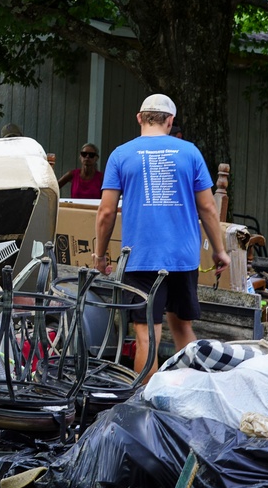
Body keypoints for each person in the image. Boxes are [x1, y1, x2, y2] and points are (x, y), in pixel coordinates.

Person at [94, 94, 230, 378]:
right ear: (170, 121)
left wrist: (99, 256)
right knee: (182, 326)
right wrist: (219, 251)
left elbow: (106, 213)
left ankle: (146, 408)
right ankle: (199, 393)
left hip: (141, 258)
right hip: (183, 257)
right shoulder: (190, 152)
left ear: (139, 118)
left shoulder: (121, 154)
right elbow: (207, 206)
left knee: (146, 334)